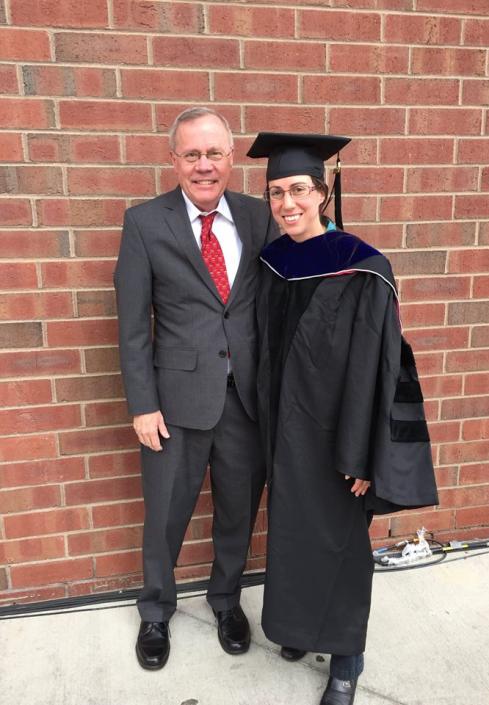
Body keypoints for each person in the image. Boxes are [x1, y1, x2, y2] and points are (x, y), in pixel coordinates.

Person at [247, 132, 438, 705]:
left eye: (299, 189)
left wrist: (364, 455)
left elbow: (380, 370)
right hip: (283, 435)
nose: (287, 203)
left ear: (324, 192)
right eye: (276, 192)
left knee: (339, 544)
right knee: (292, 536)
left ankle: (346, 660)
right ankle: (301, 631)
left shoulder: (362, 269)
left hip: (337, 441)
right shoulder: (273, 262)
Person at [114, 107, 277, 670]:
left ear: (232, 160)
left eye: (214, 154)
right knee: (165, 514)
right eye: (192, 154)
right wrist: (142, 405)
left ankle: (226, 601)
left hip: (248, 399)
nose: (203, 165)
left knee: (237, 510)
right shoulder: (144, 223)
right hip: (175, 403)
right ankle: (155, 610)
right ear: (174, 160)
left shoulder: (260, 218)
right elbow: (133, 324)